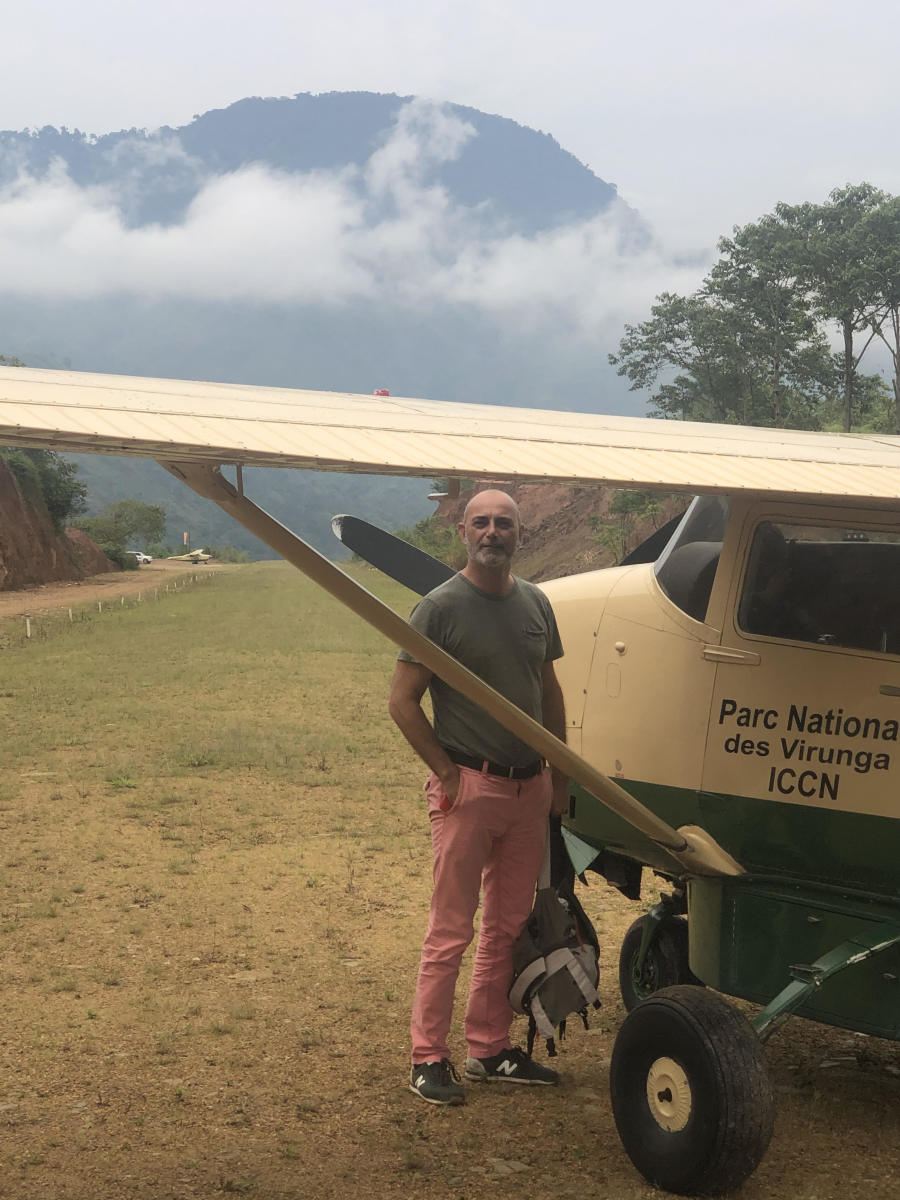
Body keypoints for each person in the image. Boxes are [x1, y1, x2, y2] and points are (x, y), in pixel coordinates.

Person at [389, 488, 569, 1106]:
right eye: (482, 523)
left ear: (521, 535)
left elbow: (550, 693)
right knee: (451, 930)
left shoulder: (536, 604)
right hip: (472, 785)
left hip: (530, 788)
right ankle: (427, 1058)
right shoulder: (438, 608)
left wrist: (560, 777)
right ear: (462, 533)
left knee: (507, 925)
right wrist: (446, 772)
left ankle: (489, 1049)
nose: (494, 532)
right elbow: (402, 702)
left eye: (505, 524)